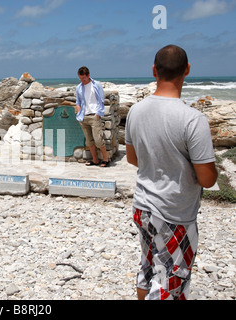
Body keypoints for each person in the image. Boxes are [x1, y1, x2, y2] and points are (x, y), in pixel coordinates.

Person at [125, 45, 218, 300]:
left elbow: (133, 159)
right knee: (170, 279)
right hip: (174, 213)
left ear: (154, 71)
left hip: (142, 206)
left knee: (147, 268)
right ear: (187, 70)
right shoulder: (192, 119)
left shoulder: (135, 111)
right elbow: (208, 180)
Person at [75, 66, 110, 167]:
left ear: (88, 75)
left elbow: (101, 100)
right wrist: (79, 112)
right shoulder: (79, 87)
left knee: (98, 140)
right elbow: (78, 102)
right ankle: (95, 160)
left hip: (94, 116)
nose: (82, 80)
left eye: (84, 78)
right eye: (80, 78)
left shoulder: (96, 85)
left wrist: (98, 114)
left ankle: (106, 159)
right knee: (89, 141)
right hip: (83, 116)